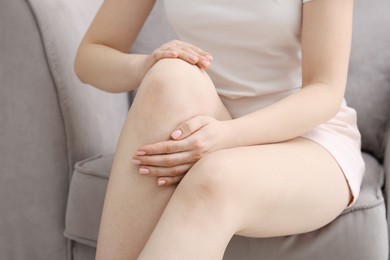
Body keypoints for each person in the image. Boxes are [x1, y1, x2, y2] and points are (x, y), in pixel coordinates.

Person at [74, 0, 365, 259]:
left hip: (304, 136)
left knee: (214, 178)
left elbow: (324, 90)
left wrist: (227, 136)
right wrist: (145, 66)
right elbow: (90, 57)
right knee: (168, 76)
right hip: (208, 121)